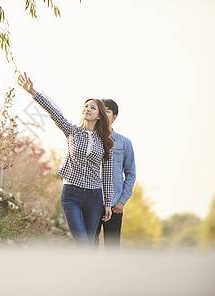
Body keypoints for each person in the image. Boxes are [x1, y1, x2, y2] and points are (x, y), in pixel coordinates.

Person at [18, 73, 114, 246]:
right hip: (72, 194)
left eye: (92, 108)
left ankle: (82, 272)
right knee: (82, 242)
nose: (87, 109)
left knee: (89, 244)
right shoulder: (72, 132)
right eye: (85, 106)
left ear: (99, 115)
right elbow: (54, 113)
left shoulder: (106, 142)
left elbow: (107, 174)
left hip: (94, 196)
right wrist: (32, 92)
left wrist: (108, 203)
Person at [95, 99, 136, 249]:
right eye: (101, 110)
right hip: (92, 203)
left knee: (112, 249)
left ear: (114, 116)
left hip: (114, 205)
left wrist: (122, 200)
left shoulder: (124, 143)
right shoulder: (89, 140)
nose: (103, 114)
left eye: (107, 111)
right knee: (88, 248)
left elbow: (130, 173)